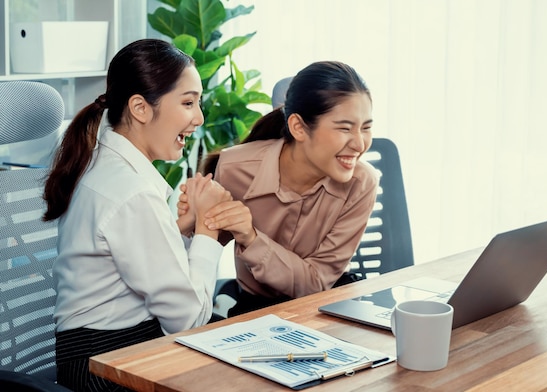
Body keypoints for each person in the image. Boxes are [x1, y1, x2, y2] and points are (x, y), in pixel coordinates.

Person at [42, 38, 230, 392]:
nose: (199, 118)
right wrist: (208, 228)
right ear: (141, 109)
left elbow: (121, 263)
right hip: (106, 371)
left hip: (107, 355)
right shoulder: (132, 192)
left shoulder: (106, 166)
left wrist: (182, 229)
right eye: (188, 103)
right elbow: (188, 318)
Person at [178, 61, 378, 316]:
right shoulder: (236, 168)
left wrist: (251, 237)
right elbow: (199, 255)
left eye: (366, 127)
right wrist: (190, 223)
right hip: (254, 311)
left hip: (324, 307)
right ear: (298, 127)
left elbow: (316, 283)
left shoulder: (361, 183)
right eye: (344, 128)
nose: (360, 143)